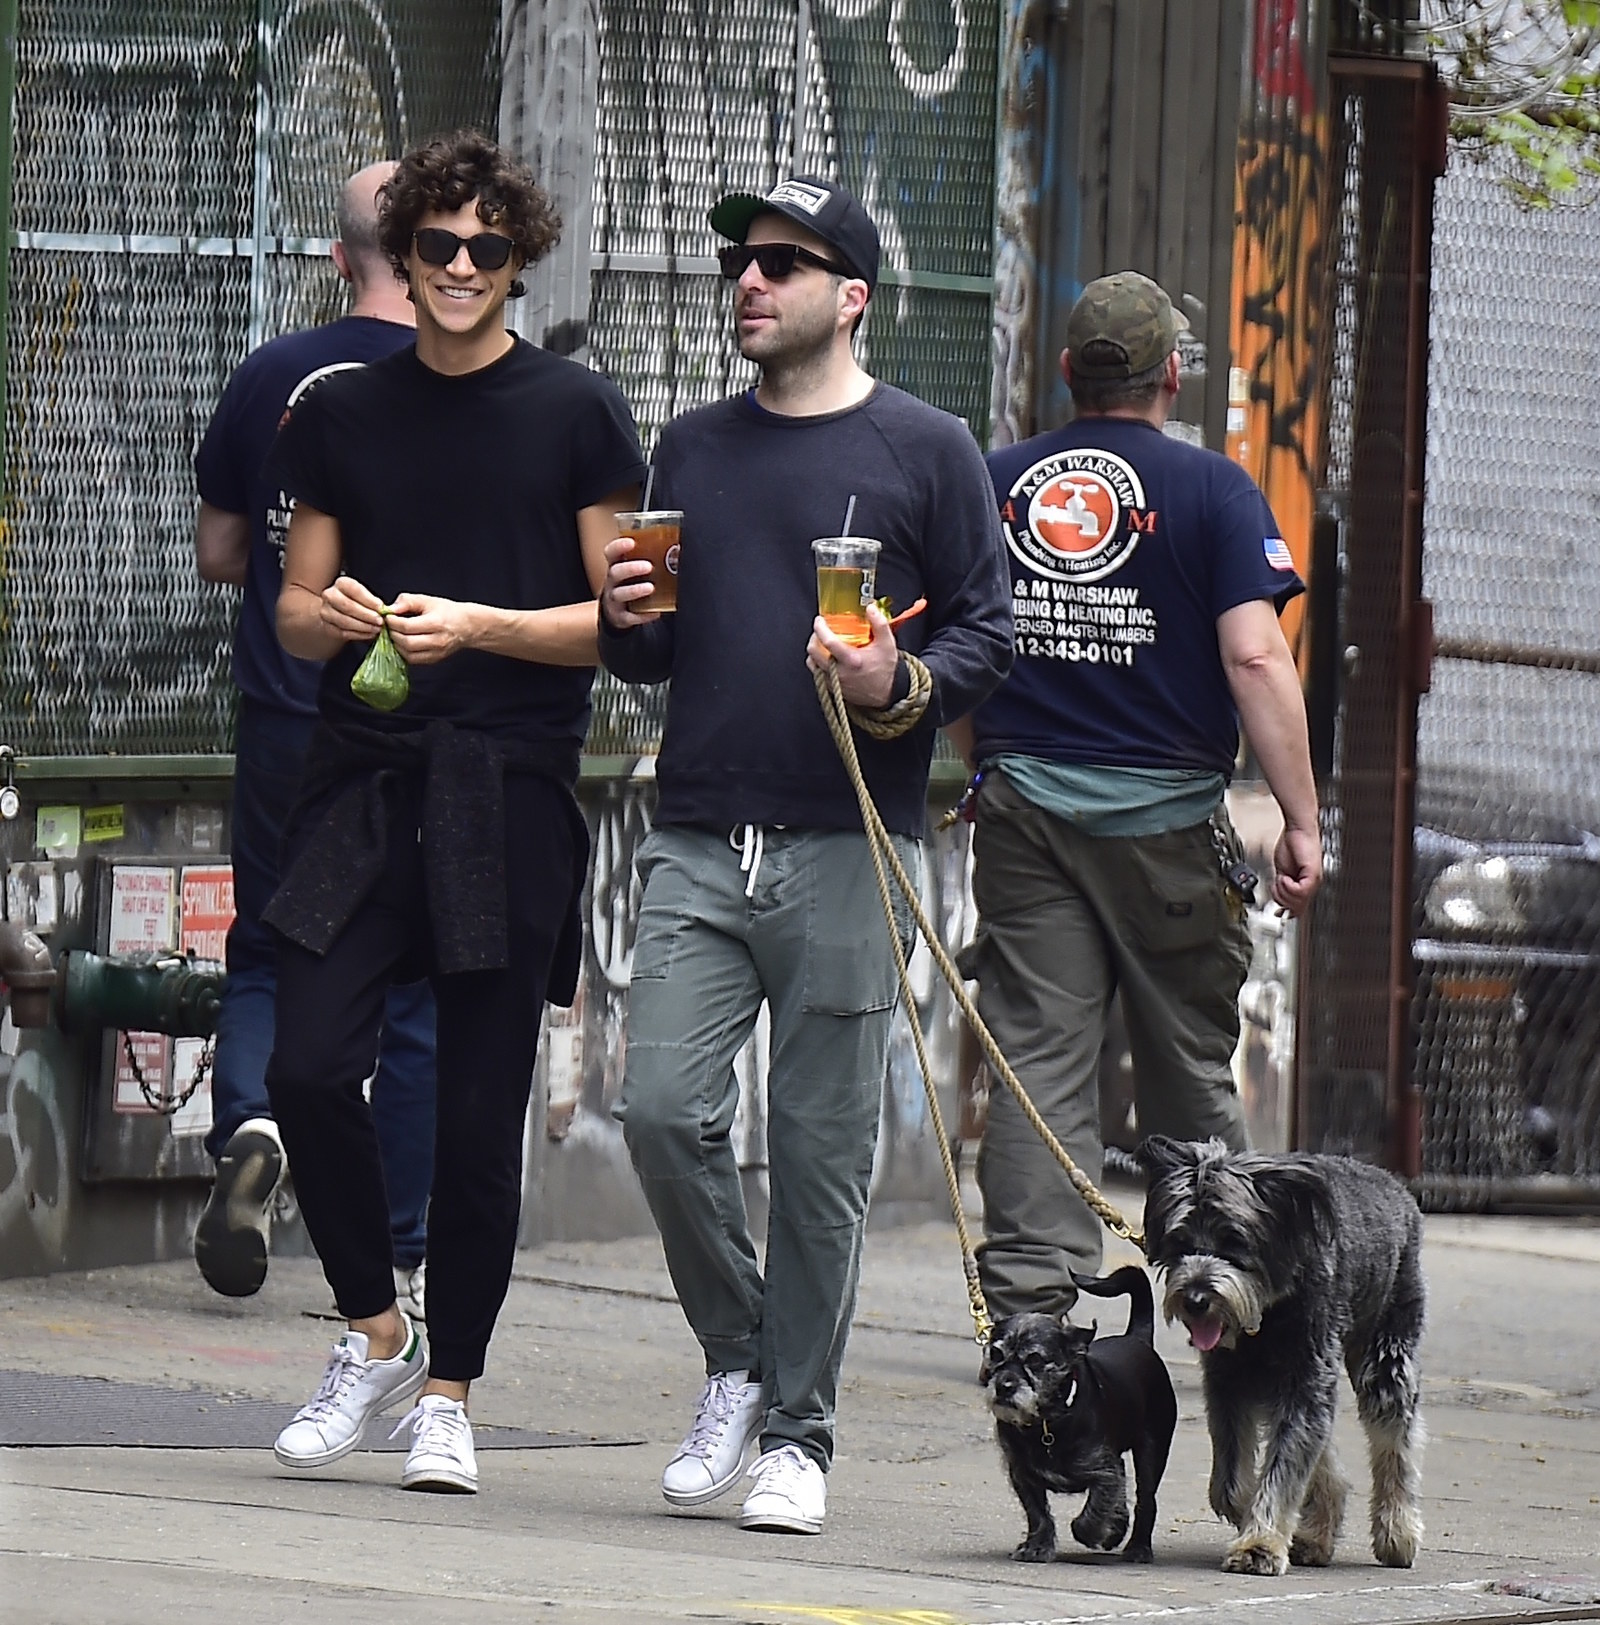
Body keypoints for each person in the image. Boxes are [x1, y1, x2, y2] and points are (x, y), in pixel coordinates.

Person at [598, 175, 1013, 1535]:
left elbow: (983, 638)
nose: (751, 282)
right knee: (660, 1109)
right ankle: (739, 1359)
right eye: (742, 262)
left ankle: (800, 1432)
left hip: (848, 840)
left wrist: (898, 679)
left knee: (821, 1152)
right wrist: (625, 609)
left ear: (855, 297)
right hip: (703, 831)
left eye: (784, 262)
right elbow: (652, 649)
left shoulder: (929, 448)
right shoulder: (695, 448)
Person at [260, 130, 645, 1494]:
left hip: (508, 788)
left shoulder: (580, 413)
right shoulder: (343, 409)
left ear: (520, 257)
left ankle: (449, 1390)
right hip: (361, 781)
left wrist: (478, 625)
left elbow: (627, 627)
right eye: (441, 246)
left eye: (490, 246)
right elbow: (296, 609)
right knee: (304, 1064)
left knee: (479, 1120)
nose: (465, 267)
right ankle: (371, 1332)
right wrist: (345, 612)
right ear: (403, 258)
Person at [959, 270, 1323, 1320]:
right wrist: (1299, 820)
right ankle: (1233, 1293)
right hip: (1168, 822)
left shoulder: (999, 481)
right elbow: (1255, 659)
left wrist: (987, 762)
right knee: (1186, 1074)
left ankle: (1032, 1314)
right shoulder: (1214, 491)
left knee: (1035, 1062)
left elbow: (970, 649)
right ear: (1172, 371)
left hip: (1027, 813)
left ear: (1068, 372)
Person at [192, 163, 437, 1314]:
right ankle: (392, 1248)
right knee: (413, 985)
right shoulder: (462, 380)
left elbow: (220, 549)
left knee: (267, 949)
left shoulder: (272, 375)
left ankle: (250, 1121)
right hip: (421, 732)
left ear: (340, 259)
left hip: (288, 717)